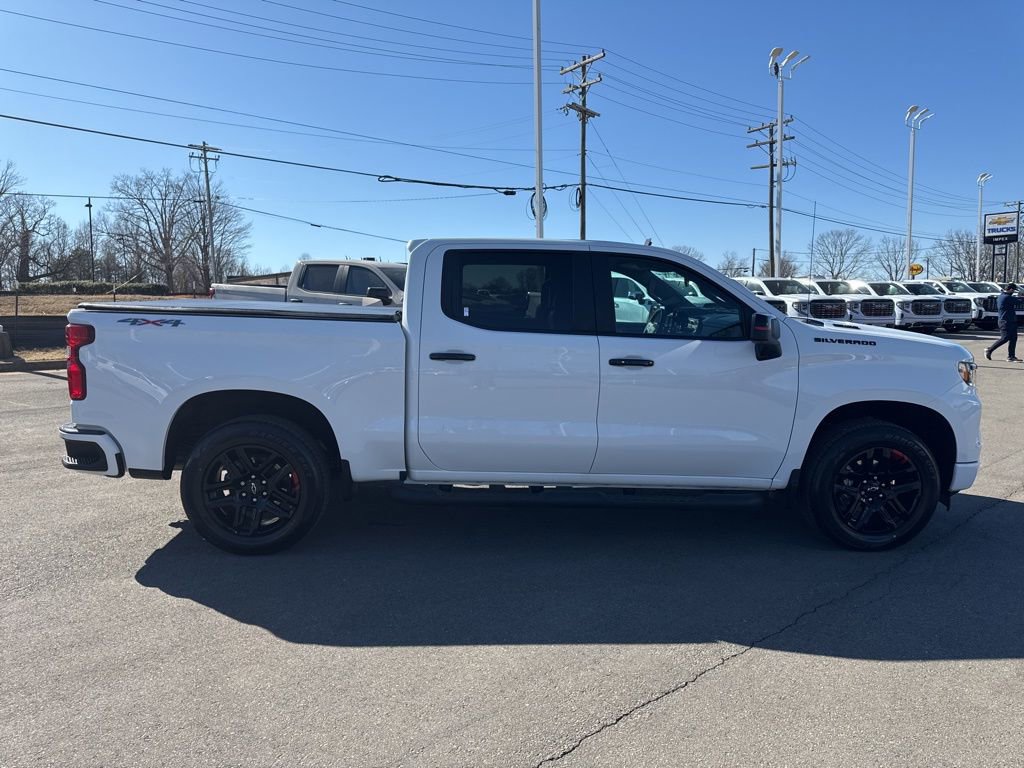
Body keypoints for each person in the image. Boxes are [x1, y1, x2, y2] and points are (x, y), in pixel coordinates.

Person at [985, 283, 1020, 362]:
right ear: (1010, 289)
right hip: (1005, 321)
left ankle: (1011, 356)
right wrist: (1021, 296)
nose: (1013, 292)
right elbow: (1019, 302)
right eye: (1013, 290)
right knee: (1005, 338)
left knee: (1013, 338)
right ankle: (989, 350)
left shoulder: (1002, 296)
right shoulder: (1006, 297)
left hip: (1010, 320)